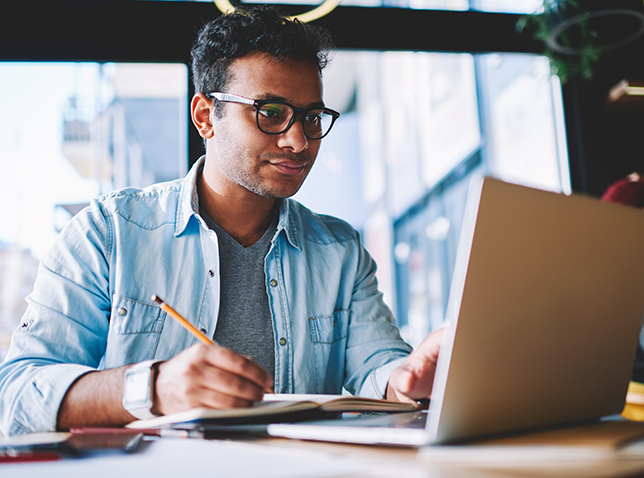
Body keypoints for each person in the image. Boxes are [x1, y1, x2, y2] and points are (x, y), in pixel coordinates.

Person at [0, 6, 442, 436]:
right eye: (270, 113)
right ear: (205, 116)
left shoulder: (340, 250)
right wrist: (152, 389)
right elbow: (16, 393)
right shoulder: (108, 232)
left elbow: (378, 366)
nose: (298, 141)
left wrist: (409, 376)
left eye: (311, 117)